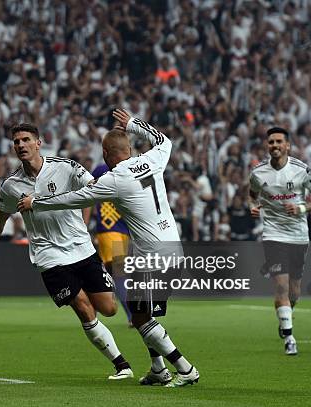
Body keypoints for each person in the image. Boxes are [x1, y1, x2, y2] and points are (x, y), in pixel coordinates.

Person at [18, 110, 199, 387]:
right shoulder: (152, 159)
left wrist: (37, 203)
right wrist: (133, 124)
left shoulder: (115, 179)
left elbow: (75, 198)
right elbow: (164, 141)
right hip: (171, 247)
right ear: (129, 149)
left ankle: (185, 369)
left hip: (153, 255)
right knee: (143, 312)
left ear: (105, 153)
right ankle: (158, 369)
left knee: (139, 316)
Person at [0, 123, 133, 380]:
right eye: (16, 141)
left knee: (108, 308)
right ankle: (122, 365)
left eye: (25, 140)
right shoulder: (11, 185)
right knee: (84, 308)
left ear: (38, 143)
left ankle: (98, 316)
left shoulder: (65, 167)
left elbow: (94, 188)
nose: (20, 145)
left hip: (82, 247)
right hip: (49, 256)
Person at [249, 127, 311, 356]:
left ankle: (284, 319)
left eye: (279, 142)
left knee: (294, 292)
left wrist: (302, 207)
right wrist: (252, 207)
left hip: (299, 236)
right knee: (281, 286)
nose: (274, 145)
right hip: (273, 235)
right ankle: (290, 338)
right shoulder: (258, 173)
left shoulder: (301, 171)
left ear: (288, 146)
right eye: (271, 142)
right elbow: (251, 196)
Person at [89, 163, 132, 327]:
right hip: (113, 231)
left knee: (112, 273)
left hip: (118, 232)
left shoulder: (112, 171)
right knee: (119, 274)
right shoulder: (111, 172)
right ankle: (131, 316)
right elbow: (89, 196)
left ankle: (92, 309)